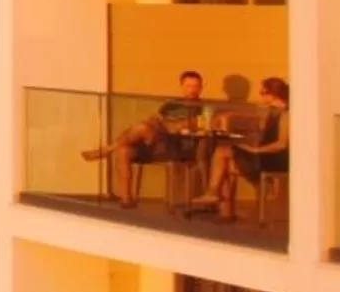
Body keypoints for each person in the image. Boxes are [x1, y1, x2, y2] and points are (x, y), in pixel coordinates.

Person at [83, 70, 207, 208]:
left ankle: (106, 150)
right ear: (182, 87)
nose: (192, 90)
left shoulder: (203, 108)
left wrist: (168, 125)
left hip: (175, 147)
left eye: (196, 86)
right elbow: (155, 119)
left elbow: (188, 126)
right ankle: (127, 199)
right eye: (189, 86)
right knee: (124, 150)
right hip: (154, 143)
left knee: (142, 127)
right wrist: (162, 125)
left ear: (201, 88)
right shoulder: (171, 105)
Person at [204, 77, 287, 221]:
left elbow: (281, 144)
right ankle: (223, 208)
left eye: (263, 92)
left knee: (223, 153)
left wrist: (255, 150)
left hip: (276, 158)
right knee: (224, 162)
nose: (261, 96)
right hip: (264, 155)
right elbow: (257, 122)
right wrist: (230, 115)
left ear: (272, 93)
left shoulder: (286, 114)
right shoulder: (270, 111)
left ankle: (214, 194)